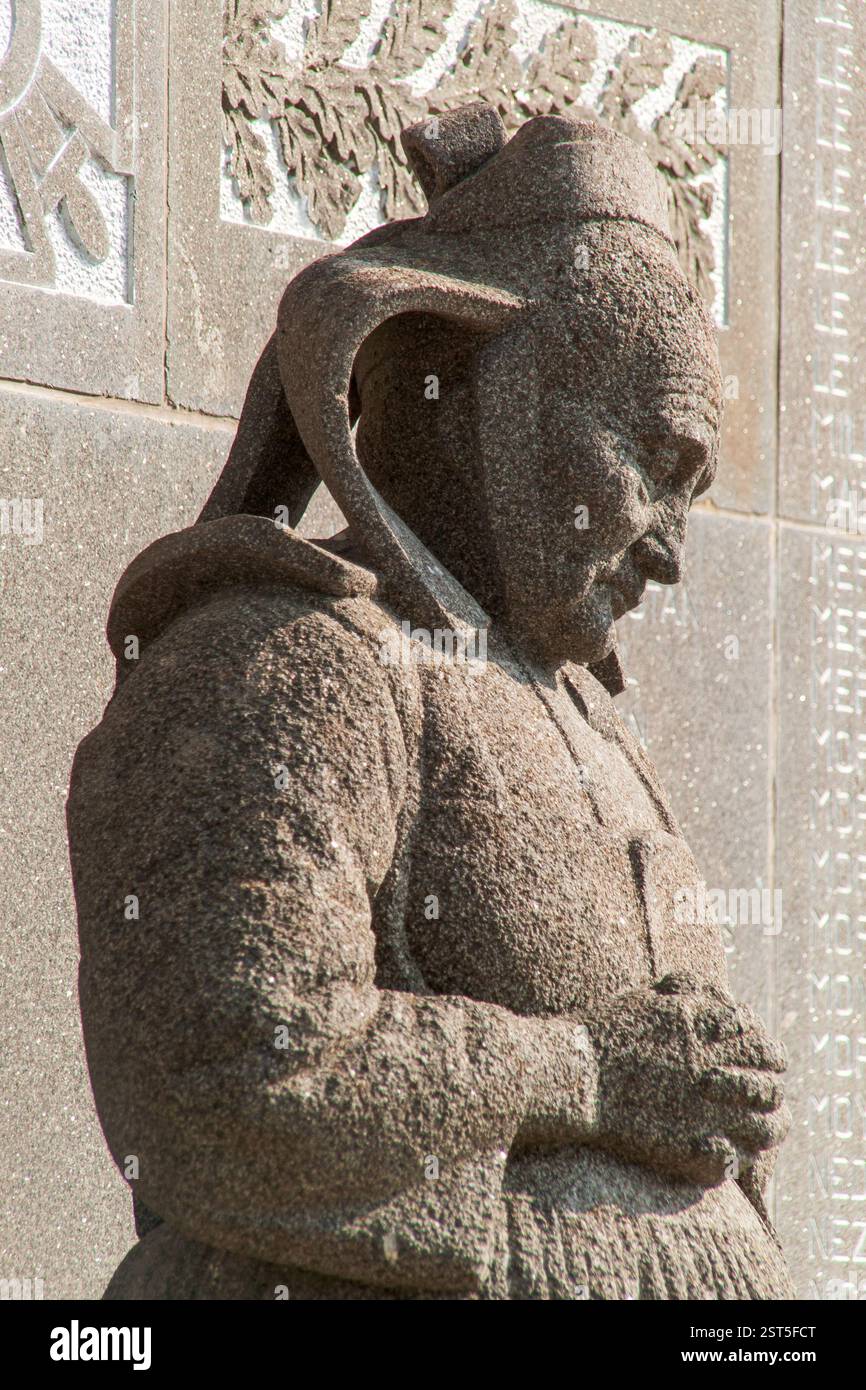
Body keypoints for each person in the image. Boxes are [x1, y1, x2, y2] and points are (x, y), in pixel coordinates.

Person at [68, 106, 793, 1299]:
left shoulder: (592, 728)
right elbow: (221, 1063)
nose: (668, 552)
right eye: (651, 464)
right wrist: (584, 1075)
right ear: (462, 379)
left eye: (694, 495)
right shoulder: (289, 657)